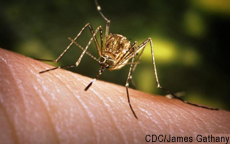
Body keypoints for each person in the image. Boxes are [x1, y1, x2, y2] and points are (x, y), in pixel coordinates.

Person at [1, 48, 229, 144]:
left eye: (103, 65)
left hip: (120, 54)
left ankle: (153, 86)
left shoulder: (122, 58)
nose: (101, 66)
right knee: (95, 26)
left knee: (146, 41)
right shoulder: (102, 53)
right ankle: (70, 62)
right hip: (110, 50)